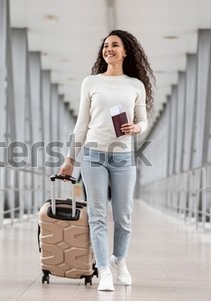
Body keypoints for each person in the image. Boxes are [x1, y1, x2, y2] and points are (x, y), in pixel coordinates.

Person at [58, 30, 154, 291]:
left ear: (125, 52)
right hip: (92, 155)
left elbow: (143, 119)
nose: (108, 49)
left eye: (114, 45)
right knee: (98, 214)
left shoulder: (135, 85)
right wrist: (70, 159)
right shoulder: (90, 82)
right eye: (105, 45)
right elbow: (82, 123)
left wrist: (137, 128)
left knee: (123, 215)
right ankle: (103, 269)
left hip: (123, 156)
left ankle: (119, 261)